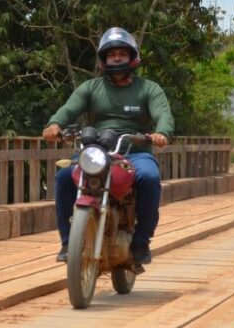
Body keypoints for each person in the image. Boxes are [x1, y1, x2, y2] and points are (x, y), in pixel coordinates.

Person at [42, 27, 174, 267]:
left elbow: (163, 114)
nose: (116, 58)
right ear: (103, 60)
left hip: (135, 151)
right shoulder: (91, 88)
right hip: (97, 149)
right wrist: (54, 124)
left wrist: (161, 133)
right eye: (111, 54)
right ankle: (66, 242)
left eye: (122, 53)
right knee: (63, 176)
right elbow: (69, 109)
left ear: (132, 58)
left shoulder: (149, 89)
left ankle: (141, 240)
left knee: (150, 178)